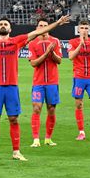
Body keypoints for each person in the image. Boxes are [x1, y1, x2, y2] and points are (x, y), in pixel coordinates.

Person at [0, 15, 69, 161]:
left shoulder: (17, 41)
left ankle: (16, 152)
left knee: (14, 119)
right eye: (0, 24)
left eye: (5, 24)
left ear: (10, 28)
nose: (3, 26)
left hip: (12, 87)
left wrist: (57, 23)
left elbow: (36, 33)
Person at [28, 18, 62, 147]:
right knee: (36, 108)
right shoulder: (32, 43)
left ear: (49, 27)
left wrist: (51, 52)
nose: (42, 27)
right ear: (37, 28)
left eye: (45, 25)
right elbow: (33, 63)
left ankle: (48, 138)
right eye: (40, 25)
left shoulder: (55, 41)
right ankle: (36, 139)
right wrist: (46, 53)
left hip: (52, 82)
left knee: (51, 109)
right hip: (38, 83)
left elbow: (59, 60)